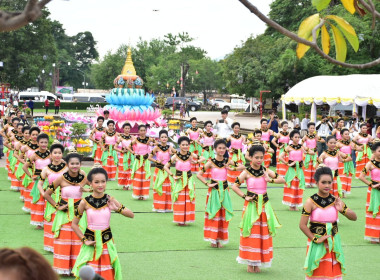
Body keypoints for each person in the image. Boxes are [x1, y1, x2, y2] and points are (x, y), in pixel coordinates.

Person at [71, 166, 134, 280]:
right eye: (96, 182)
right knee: (91, 269)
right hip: (91, 242)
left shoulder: (110, 199)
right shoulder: (84, 202)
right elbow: (74, 224)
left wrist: (116, 209)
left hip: (107, 242)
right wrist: (84, 240)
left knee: (107, 270)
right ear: (90, 183)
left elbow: (131, 214)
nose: (100, 185)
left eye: (103, 182)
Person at [232, 145, 285, 273]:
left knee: (263, 232)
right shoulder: (246, 172)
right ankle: (250, 264)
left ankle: (259, 262)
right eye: (256, 157)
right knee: (251, 232)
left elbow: (282, 179)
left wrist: (269, 180)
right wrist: (245, 196)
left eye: (261, 157)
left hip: (264, 206)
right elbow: (235, 186)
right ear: (250, 157)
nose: (259, 160)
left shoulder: (266, 170)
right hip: (251, 206)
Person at [300, 166, 357, 280]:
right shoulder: (310, 201)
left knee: (332, 272)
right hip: (317, 242)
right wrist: (315, 239)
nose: (327, 185)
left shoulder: (335, 200)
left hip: (333, 242)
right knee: (318, 271)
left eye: (329, 182)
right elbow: (302, 225)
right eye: (323, 182)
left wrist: (342, 210)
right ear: (316, 183)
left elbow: (354, 217)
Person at [44, 152, 89, 276]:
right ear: (67, 164)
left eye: (77, 163)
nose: (75, 166)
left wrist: (88, 189)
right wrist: (57, 206)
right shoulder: (61, 178)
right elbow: (47, 194)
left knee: (78, 240)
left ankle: (77, 269)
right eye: (72, 163)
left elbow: (95, 186)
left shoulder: (84, 176)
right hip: (64, 215)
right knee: (64, 240)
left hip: (79, 214)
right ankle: (63, 269)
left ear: (80, 164)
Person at [197, 139, 243, 248]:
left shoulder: (227, 160)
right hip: (214, 191)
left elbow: (243, 166)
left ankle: (220, 239)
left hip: (225, 191)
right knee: (214, 213)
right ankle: (213, 240)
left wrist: (232, 168)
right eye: (219, 148)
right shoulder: (210, 162)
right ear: (215, 149)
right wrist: (207, 183)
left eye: (223, 148)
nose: (221, 150)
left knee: (222, 214)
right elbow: (199, 174)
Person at [164, 136, 200, 226]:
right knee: (179, 199)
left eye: (186, 145)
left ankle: (187, 219)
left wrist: (196, 162)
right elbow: (165, 166)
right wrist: (172, 175)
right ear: (179, 145)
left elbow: (202, 158)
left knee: (188, 199)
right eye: (183, 145)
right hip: (179, 180)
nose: (185, 146)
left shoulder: (190, 154)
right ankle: (180, 219)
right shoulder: (176, 156)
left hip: (189, 180)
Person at [38, 143, 67, 252]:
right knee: (51, 221)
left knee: (62, 220)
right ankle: (51, 246)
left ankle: (61, 245)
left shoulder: (67, 167)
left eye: (59, 153)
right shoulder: (46, 169)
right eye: (55, 153)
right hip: (51, 198)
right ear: (51, 154)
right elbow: (39, 184)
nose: (57, 155)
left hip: (64, 198)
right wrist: (43, 194)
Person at [23, 133, 51, 229]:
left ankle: (48, 221)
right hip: (39, 181)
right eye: (41, 142)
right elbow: (25, 167)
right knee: (39, 201)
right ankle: (39, 223)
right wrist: (31, 176)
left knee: (49, 201)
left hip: (49, 181)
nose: (43, 144)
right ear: (38, 143)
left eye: (45, 142)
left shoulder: (51, 154)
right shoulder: (34, 155)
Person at [149, 130, 176, 212]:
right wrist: (156, 161)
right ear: (159, 138)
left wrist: (172, 155)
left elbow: (178, 154)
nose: (164, 138)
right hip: (159, 170)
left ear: (167, 138)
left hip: (167, 171)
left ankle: (167, 207)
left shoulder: (170, 147)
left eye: (165, 137)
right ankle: (159, 207)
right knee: (159, 187)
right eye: (162, 137)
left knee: (167, 188)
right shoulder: (156, 147)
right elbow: (149, 157)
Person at [358, 141, 380, 244]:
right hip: (374, 191)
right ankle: (373, 236)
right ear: (374, 152)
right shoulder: (370, 163)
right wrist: (371, 184)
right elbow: (361, 176)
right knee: (373, 212)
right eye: (379, 151)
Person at [279, 130, 307, 210]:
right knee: (292, 186)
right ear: (291, 138)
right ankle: (291, 205)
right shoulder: (288, 147)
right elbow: (280, 157)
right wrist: (287, 164)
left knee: (298, 186)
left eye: (298, 137)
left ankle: (296, 204)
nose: (297, 139)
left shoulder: (301, 147)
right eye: (295, 137)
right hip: (292, 170)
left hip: (299, 170)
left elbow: (306, 154)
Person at [128, 124, 154, 200]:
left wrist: (151, 144)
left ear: (146, 131)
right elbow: (129, 146)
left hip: (146, 161)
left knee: (145, 177)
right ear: (138, 131)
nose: (142, 132)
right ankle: (138, 194)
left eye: (144, 130)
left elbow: (157, 144)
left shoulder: (149, 139)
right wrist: (133, 152)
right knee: (138, 177)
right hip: (138, 160)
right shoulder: (136, 139)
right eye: (141, 130)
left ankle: (144, 195)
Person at [20, 127, 40, 213]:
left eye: (37, 135)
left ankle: (36, 208)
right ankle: (29, 207)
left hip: (39, 172)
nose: (35, 136)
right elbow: (19, 157)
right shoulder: (25, 147)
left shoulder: (42, 147)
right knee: (30, 189)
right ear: (30, 135)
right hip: (30, 170)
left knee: (37, 191)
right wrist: (27, 163)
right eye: (33, 135)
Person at [336, 129, 356, 197]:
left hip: (349, 162)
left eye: (348, 134)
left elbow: (356, 148)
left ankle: (344, 192)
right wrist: (341, 154)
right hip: (342, 162)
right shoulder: (338, 143)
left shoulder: (350, 143)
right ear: (341, 135)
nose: (347, 135)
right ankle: (340, 192)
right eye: (346, 134)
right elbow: (335, 151)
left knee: (347, 176)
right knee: (342, 176)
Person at [302, 122, 323, 187]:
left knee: (314, 167)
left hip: (314, 153)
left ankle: (313, 182)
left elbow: (323, 141)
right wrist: (306, 149)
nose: (312, 129)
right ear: (308, 129)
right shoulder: (305, 136)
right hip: (308, 153)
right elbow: (301, 144)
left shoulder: (315, 136)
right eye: (311, 128)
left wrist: (317, 138)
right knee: (307, 167)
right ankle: (307, 183)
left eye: (313, 128)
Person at [114, 122, 134, 190]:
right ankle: (124, 185)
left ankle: (128, 185)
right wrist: (122, 151)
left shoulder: (132, 138)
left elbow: (136, 146)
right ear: (123, 129)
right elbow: (115, 147)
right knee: (123, 170)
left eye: (128, 128)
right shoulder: (120, 138)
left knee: (130, 170)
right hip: (123, 155)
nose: (127, 130)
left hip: (130, 156)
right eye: (126, 128)